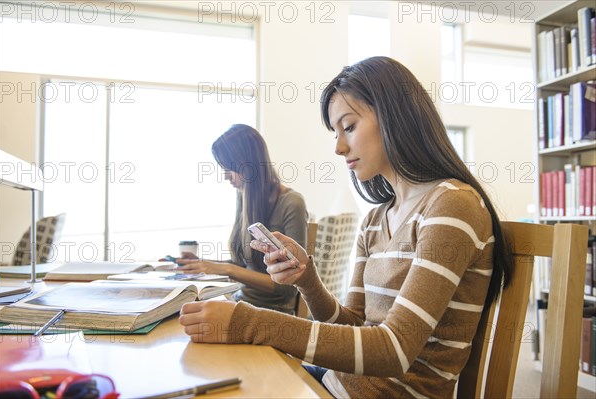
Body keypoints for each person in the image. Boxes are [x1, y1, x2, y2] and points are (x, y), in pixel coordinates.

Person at [179, 57, 513, 398]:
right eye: (336, 133)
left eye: (349, 127)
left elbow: (393, 349)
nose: (339, 147)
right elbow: (353, 325)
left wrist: (249, 323)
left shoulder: (451, 205)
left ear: (395, 115)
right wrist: (307, 279)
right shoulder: (375, 220)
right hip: (336, 384)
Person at [175, 124, 308, 314]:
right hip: (241, 302)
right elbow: (243, 264)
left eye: (229, 168)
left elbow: (288, 287)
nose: (226, 176)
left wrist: (226, 269)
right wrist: (201, 263)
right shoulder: (244, 196)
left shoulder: (291, 203)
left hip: (273, 314)